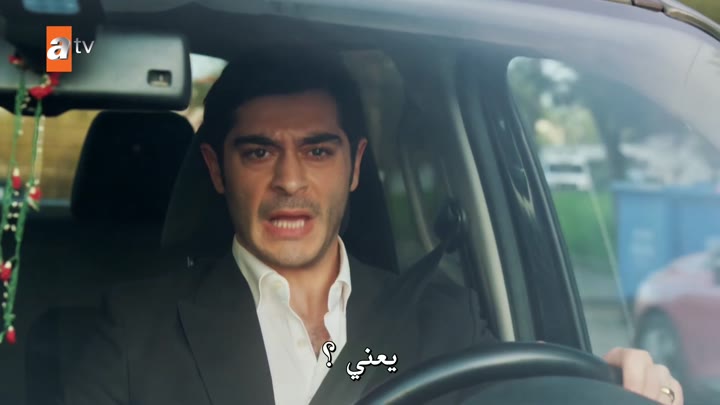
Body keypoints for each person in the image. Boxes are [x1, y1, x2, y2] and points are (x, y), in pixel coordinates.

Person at [62, 47, 683, 405]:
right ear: (215, 169)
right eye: (258, 152)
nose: (289, 180)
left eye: (318, 150)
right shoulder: (133, 330)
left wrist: (616, 383)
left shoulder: (445, 321)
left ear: (355, 166)